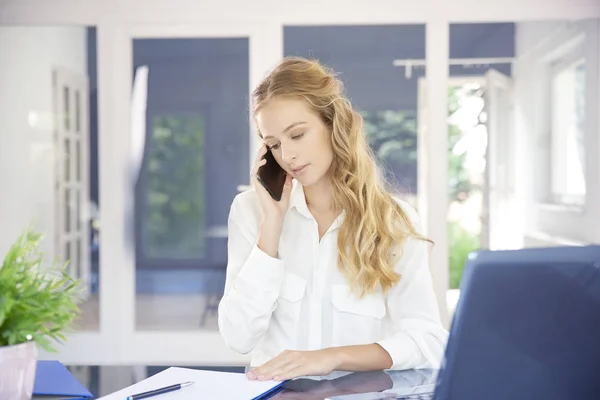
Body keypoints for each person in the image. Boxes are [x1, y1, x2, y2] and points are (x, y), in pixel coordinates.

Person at [217, 56, 448, 382]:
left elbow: (429, 340)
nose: (288, 156)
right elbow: (238, 337)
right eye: (274, 145)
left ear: (333, 124)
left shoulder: (393, 221)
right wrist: (271, 225)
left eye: (297, 135)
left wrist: (330, 358)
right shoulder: (250, 212)